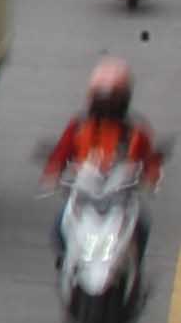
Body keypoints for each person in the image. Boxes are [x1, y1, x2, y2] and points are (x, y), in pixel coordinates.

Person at [43, 55, 167, 273]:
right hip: (86, 195)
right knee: (58, 227)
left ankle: (134, 269)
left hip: (119, 200)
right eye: (102, 100)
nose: (107, 106)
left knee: (142, 226)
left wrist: (152, 177)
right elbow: (60, 154)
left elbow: (149, 162)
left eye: (112, 100)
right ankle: (66, 261)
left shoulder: (136, 131)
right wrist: (54, 173)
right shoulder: (79, 127)